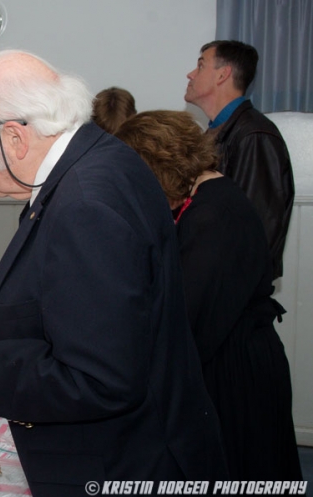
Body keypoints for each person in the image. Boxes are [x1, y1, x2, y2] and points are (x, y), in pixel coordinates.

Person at [0, 50, 227, 496]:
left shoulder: (85, 201)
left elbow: (99, 378)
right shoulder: (100, 161)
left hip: (126, 463)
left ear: (13, 138)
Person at [115, 110, 303, 482]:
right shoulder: (209, 198)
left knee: (237, 471)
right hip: (231, 358)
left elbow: (187, 319)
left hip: (236, 374)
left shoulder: (213, 214)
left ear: (156, 165)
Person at [185, 40, 294, 280]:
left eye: (201, 66)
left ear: (223, 75)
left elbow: (257, 228)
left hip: (233, 287)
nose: (190, 74)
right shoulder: (218, 131)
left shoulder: (255, 136)